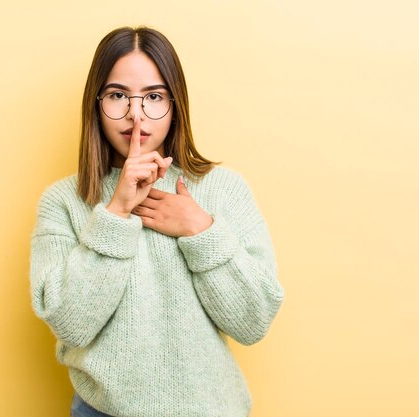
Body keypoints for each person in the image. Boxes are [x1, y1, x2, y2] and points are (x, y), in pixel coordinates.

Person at [30, 26, 285, 417]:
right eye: (118, 96)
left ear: (175, 103)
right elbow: (71, 324)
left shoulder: (223, 189)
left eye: (153, 96)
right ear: (96, 104)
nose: (136, 113)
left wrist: (201, 230)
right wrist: (115, 213)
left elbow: (253, 321)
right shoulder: (63, 201)